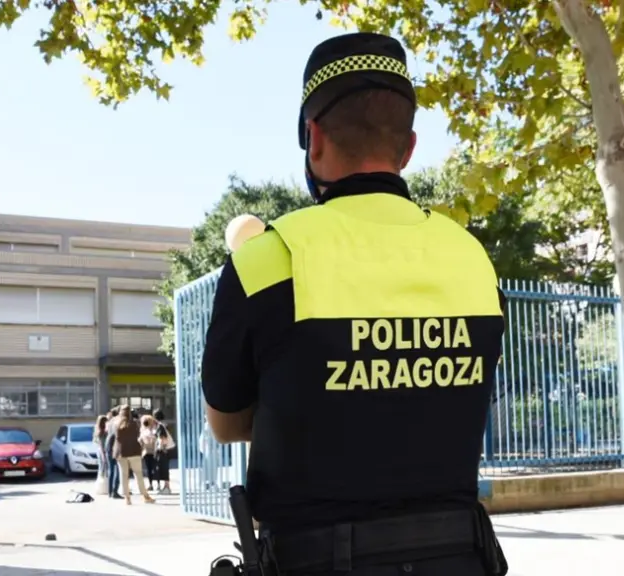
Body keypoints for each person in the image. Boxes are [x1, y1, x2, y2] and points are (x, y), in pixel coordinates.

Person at [199, 32, 509, 576]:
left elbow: (226, 425)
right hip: (459, 558)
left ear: (313, 138)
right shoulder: (471, 258)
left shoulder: (266, 259)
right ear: (408, 148)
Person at [113, 406, 155, 505]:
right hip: (134, 451)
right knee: (138, 474)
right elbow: (139, 435)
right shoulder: (135, 423)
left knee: (124, 475)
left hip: (120, 452)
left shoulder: (115, 424)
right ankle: (145, 496)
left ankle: (127, 498)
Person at [152, 409, 173, 494]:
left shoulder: (160, 426)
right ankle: (166, 487)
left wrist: (161, 448)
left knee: (164, 468)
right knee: (164, 468)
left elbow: (163, 438)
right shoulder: (163, 425)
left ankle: (167, 487)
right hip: (166, 450)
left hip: (163, 450)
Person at [104, 408, 122, 499]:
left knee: (111, 469)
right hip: (114, 447)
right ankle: (115, 491)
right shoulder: (117, 422)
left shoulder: (110, 422)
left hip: (108, 445)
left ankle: (110, 491)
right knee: (117, 470)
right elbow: (118, 436)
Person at [139, 415, 158, 493]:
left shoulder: (143, 431)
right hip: (154, 451)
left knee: (149, 469)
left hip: (146, 452)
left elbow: (140, 441)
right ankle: (158, 484)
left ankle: (150, 484)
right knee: (155, 468)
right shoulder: (154, 431)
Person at [93, 415, 109, 495]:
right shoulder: (103, 432)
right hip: (103, 451)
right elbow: (102, 444)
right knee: (104, 468)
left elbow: (95, 442)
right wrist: (104, 455)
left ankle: (100, 488)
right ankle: (104, 488)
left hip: (99, 450)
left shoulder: (96, 431)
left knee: (101, 469)